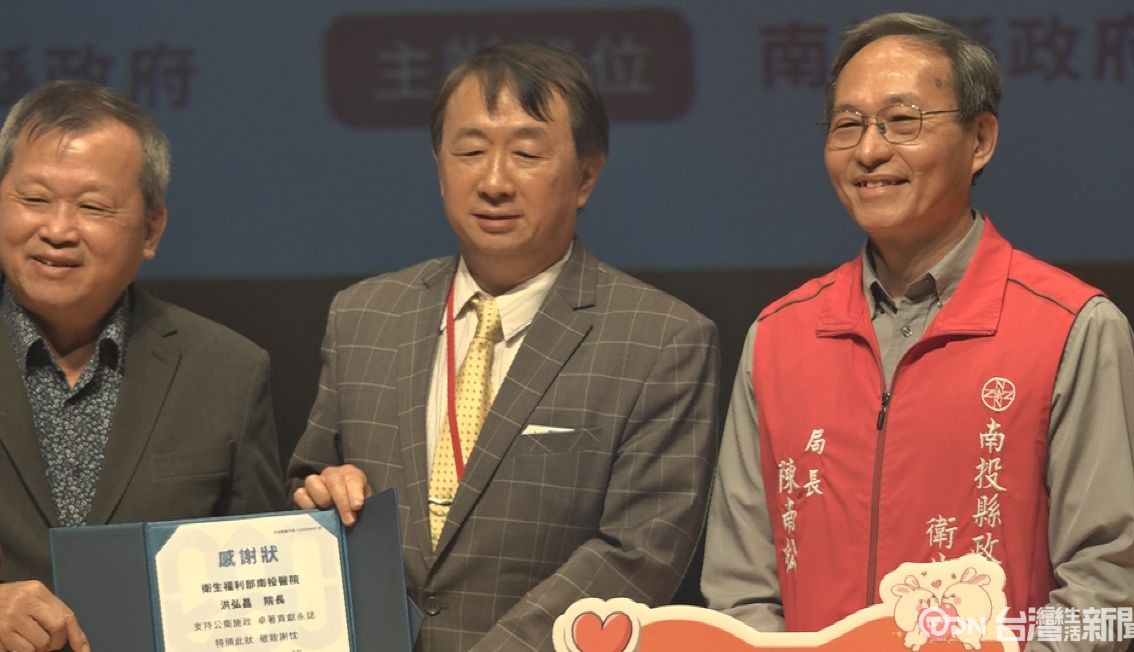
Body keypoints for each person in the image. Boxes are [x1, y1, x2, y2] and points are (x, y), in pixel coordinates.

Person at [701, 12, 1134, 651]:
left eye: (901, 120)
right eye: (848, 124)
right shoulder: (778, 335)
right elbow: (740, 586)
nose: (869, 150)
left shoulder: (1074, 327)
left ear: (980, 140)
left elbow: (1107, 592)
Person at [288, 41, 719, 651]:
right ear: (438, 164)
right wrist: (318, 496)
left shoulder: (661, 339)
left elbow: (639, 552)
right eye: (469, 151)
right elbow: (307, 483)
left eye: (526, 154)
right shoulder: (363, 315)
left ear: (586, 175)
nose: (493, 181)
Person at [0, 80, 284, 652]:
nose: (57, 230)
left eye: (92, 206)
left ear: (151, 229)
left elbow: (263, 588)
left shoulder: (227, 371)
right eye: (34, 199)